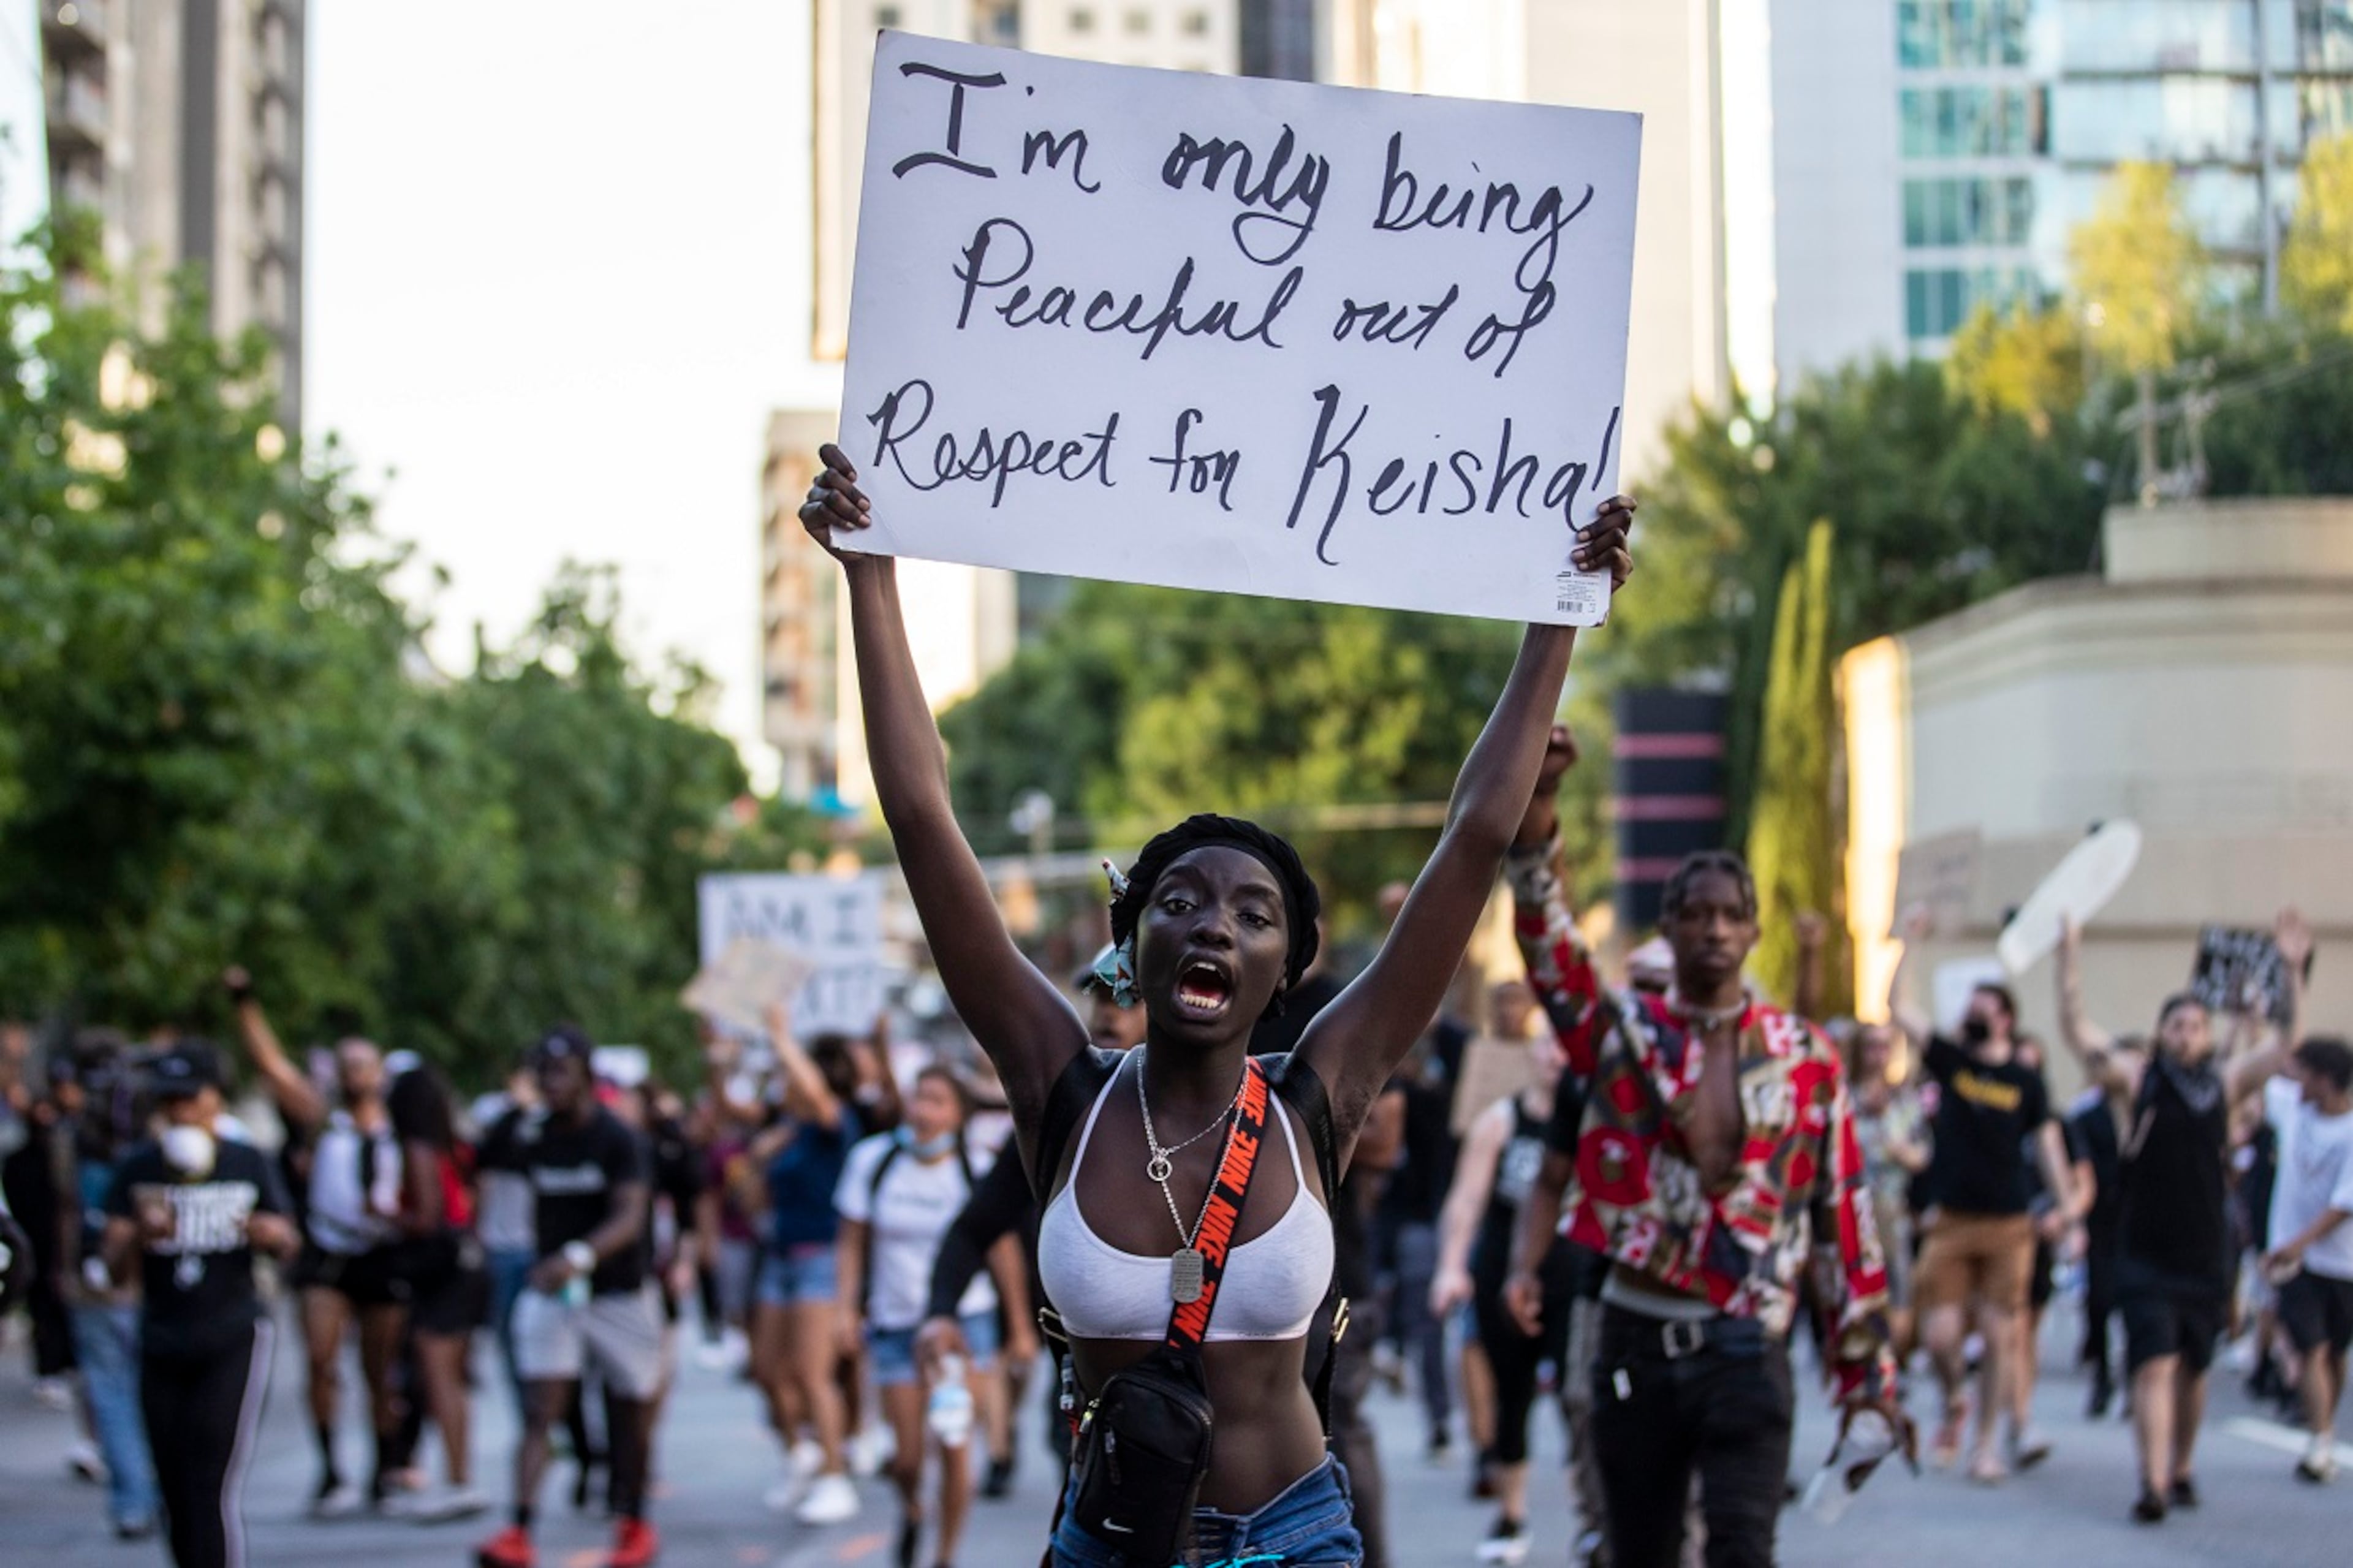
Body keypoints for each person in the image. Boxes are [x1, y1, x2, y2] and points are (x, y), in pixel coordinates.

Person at [800, 441, 1634, 1567]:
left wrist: (1558, 611)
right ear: (1129, 943)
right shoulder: (1062, 1087)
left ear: (1285, 969)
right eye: (1181, 901)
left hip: (1296, 1537)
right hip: (1114, 1541)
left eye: (1253, 915)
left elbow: (1475, 836)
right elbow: (918, 812)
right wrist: (870, 572)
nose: (1212, 926)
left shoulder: (1318, 1095)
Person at [1503, 731, 1911, 1568]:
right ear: (1672, 926)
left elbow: (1846, 1222)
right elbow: (1551, 947)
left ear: (1754, 930)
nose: (1716, 930)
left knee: (1741, 1549)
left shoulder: (1803, 1058)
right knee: (1639, 1551)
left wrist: (1866, 1379)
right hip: (1635, 1340)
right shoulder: (1626, 1037)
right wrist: (1539, 802)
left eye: (1731, 915)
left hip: (1747, 1344)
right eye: (1697, 914)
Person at [2050, 907, 2311, 1522]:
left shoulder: (2224, 1084)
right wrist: (2069, 959)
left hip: (2204, 1253)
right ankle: (2152, 1481)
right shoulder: (2136, 1080)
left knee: (2193, 1368)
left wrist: (2292, 973)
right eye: (2177, 1023)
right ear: (2162, 1031)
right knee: (2152, 1363)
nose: (2188, 1032)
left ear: (2205, 1032)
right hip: (2143, 1251)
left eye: (2197, 1024)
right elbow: (2078, 1031)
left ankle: (2183, 1465)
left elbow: (2284, 1046)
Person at [1885, 918, 2079, 1483]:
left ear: (2006, 1018)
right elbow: (1896, 1005)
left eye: (1983, 1004)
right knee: (1941, 1336)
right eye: (1970, 1002)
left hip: (2009, 1224)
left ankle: (1986, 1444)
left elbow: (2047, 1144)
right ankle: (1954, 1397)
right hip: (1950, 1220)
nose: (1972, 1009)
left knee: (2000, 1335)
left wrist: (2066, 1208)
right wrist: (1910, 941)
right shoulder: (1952, 1060)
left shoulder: (2025, 1080)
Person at [102, 1041, 300, 1568]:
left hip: (230, 1334)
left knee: (207, 1479)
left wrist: (268, 1233)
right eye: (170, 1099)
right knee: (171, 1484)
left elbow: (287, 1238)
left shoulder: (245, 1160)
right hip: (162, 1337)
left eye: (190, 1097)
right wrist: (137, 1236)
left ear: (216, 1098)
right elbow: (110, 1270)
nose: (180, 1109)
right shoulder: (139, 1167)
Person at [221, 968, 407, 1515]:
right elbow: (271, 1064)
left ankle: (382, 1470)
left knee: (379, 1371)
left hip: (382, 1251)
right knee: (322, 1361)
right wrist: (244, 1003)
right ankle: (331, 1470)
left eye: (363, 1065)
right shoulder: (322, 1118)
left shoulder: (400, 1125)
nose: (355, 1074)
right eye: (346, 1065)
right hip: (327, 1251)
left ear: (379, 1071)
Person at [474, 1028, 662, 1568]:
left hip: (617, 1290)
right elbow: (477, 1157)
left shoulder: (617, 1138)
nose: (551, 1083)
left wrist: (579, 1256)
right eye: (542, 1072)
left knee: (630, 1410)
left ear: (585, 1075)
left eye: (561, 1071)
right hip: (554, 1292)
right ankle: (518, 1529)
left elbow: (630, 1216)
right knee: (540, 1409)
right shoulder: (530, 1133)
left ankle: (634, 1521)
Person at [838, 1064, 1017, 1568]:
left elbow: (1000, 1248)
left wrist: (1019, 1326)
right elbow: (852, 1241)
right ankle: (914, 1506)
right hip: (896, 1325)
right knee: (909, 1458)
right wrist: (845, 1309)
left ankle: (944, 1555)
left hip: (965, 1327)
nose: (923, 1111)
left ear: (958, 1114)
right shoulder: (874, 1160)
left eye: (937, 1101)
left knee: (955, 1444)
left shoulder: (976, 1167)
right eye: (919, 1098)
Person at [1431, 983, 1574, 1567]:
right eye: (1546, 1047)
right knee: (1510, 1396)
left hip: (1570, 1274)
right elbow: (1466, 1200)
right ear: (1532, 1055)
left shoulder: (1593, 1123)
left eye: (1565, 1050)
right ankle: (1512, 1514)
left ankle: (1597, 1512)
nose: (1554, 1058)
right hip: (1501, 1272)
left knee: (1581, 1394)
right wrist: (1450, 1267)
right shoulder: (1500, 1118)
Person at [749, 1004, 865, 1526]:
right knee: (768, 1371)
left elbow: (816, 1095)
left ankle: (836, 1477)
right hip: (779, 1258)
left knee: (814, 1375)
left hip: (821, 1258)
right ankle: (803, 1455)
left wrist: (779, 1036)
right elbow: (752, 1200)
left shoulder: (836, 1122)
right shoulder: (790, 1135)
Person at [379, 1063, 490, 1521]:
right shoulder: (456, 1146)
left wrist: (382, 1215)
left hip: (441, 1274)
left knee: (439, 1377)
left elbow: (426, 1216)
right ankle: (459, 1476)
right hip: (466, 1266)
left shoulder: (418, 1149)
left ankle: (459, 1479)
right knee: (452, 1379)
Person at [2056, 922, 2144, 1420]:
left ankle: (2133, 1376)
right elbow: (2076, 1026)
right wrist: (2069, 961)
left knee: (2138, 1308)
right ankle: (2104, 1375)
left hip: (2147, 1220)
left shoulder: (2159, 1110)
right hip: (2105, 1217)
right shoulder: (2087, 1116)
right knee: (2100, 1298)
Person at [2260, 1035, 2353, 1483]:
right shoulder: (2294, 1111)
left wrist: (2300, 1240)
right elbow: (2277, 1054)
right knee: (2310, 1345)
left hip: (2343, 1262)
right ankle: (2321, 1436)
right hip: (2297, 1262)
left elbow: (2344, 1204)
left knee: (2334, 1352)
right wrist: (2294, 980)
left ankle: (2325, 1430)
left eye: (2304, 1073)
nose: (2294, 1078)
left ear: (2326, 1079)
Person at [1846, 1022, 1930, 1364]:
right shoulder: (1844, 1096)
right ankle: (1860, 1357)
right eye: (1871, 1046)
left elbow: (1923, 1154)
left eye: (1884, 1047)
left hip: (1893, 1206)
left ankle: (1893, 1359)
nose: (1877, 1055)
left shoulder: (1905, 1101)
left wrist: (1898, 1149)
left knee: (1897, 1285)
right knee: (1856, 1285)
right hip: (1852, 1206)